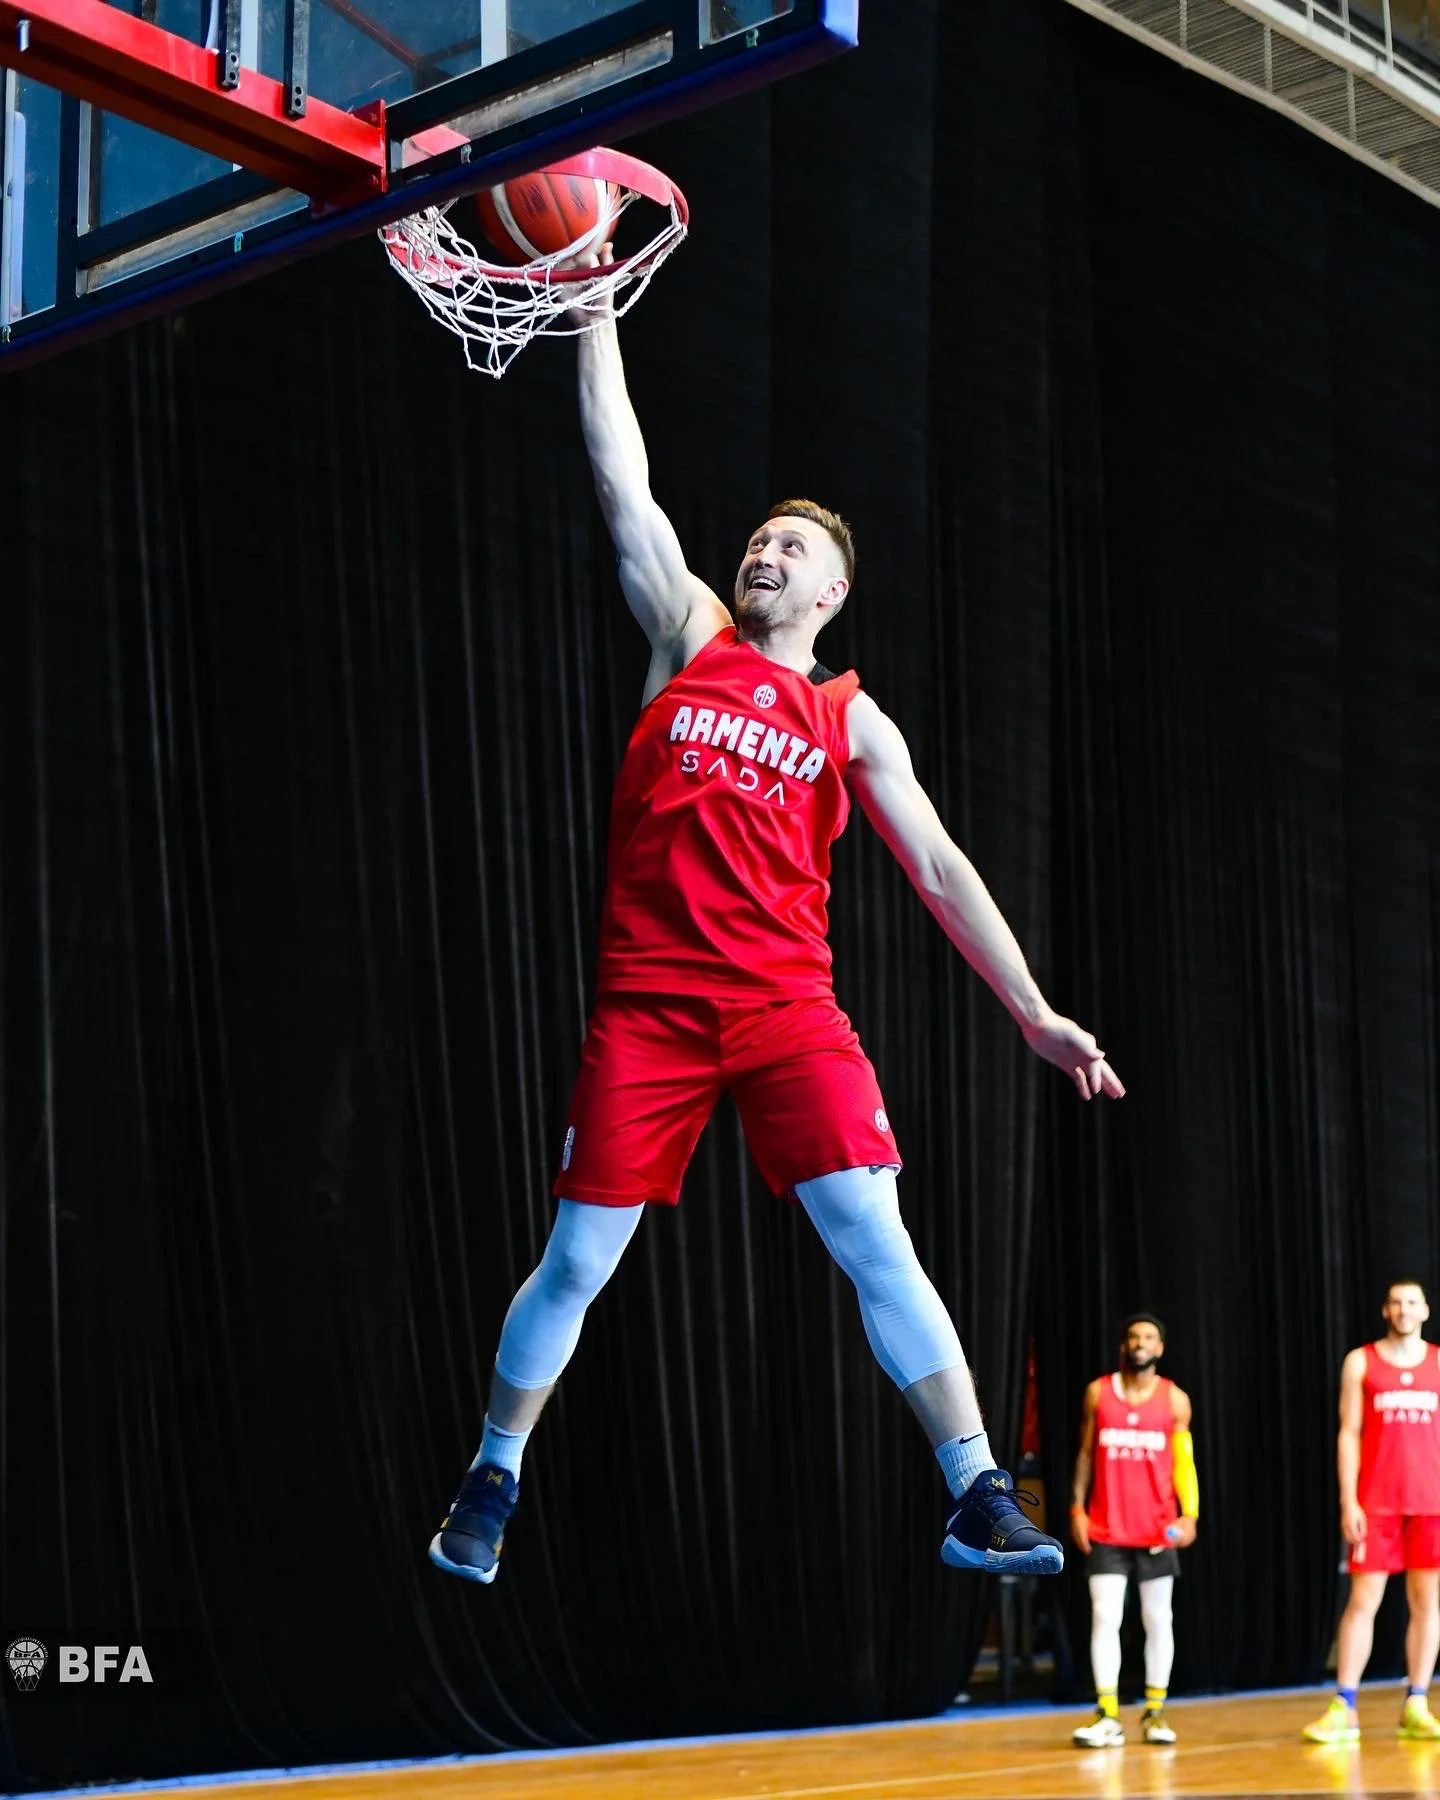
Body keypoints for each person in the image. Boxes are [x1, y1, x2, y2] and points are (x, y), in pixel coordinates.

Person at [426, 282, 1125, 1589]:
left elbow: (938, 865)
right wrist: (589, 311)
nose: (764, 554)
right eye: (756, 540)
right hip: (650, 1008)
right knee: (577, 1257)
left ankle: (975, 1485)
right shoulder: (686, 634)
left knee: (876, 1232)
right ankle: (495, 1468)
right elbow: (620, 473)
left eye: (790, 549)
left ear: (834, 589)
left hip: (786, 1008)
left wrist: (1031, 1008)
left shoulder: (852, 721)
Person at [1303, 1280, 1440, 1744]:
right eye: (1396, 1302)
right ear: (1386, 1310)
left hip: (1431, 1503)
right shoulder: (1361, 1361)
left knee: (1426, 1603)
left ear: (1425, 1310)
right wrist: (1349, 1498)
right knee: (1363, 1602)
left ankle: (1417, 1701)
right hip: (1377, 1503)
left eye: (1412, 1302)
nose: (1404, 1309)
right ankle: (1345, 1705)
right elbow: (1349, 1433)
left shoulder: (1439, 1361)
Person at [1069, 1314, 1197, 1748]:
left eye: (1148, 1337)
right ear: (1124, 1345)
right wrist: (1076, 1508)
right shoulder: (1099, 1393)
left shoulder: (1174, 1399)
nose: (1140, 1343)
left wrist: (1190, 1515)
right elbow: (1085, 1453)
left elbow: (1185, 1463)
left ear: (1159, 1348)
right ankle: (1107, 1713)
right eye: (1133, 1336)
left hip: (1158, 1530)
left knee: (1158, 1618)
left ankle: (1155, 1713)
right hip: (1107, 1525)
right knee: (1105, 1616)